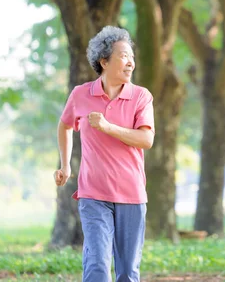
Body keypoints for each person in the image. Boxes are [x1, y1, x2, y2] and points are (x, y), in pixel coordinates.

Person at [54, 26, 155, 282]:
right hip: (93, 194)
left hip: (131, 195)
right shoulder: (81, 94)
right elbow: (65, 125)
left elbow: (146, 139)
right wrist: (65, 165)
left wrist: (108, 127)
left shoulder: (140, 96)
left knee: (127, 273)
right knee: (97, 266)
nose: (130, 62)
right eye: (123, 55)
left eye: (132, 56)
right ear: (104, 61)